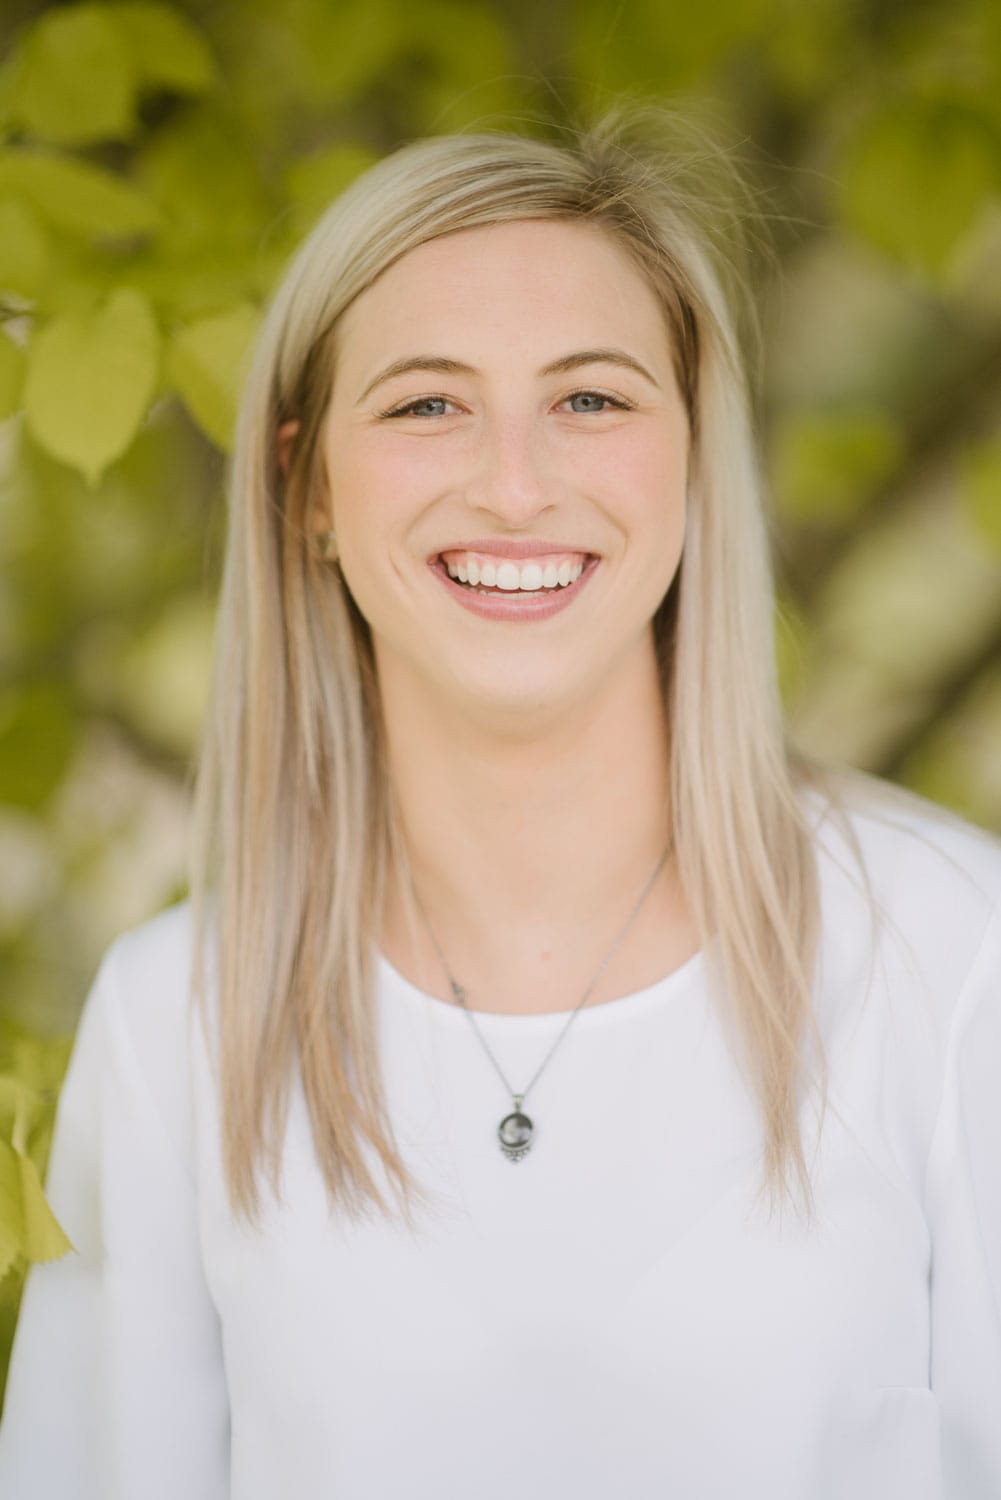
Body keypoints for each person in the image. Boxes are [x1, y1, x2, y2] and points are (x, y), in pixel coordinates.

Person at [1, 112, 999, 1500]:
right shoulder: (177, 1022)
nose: (516, 483)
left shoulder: (949, 954)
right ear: (305, 488)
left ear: (697, 457)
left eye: (590, 398)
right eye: (425, 404)